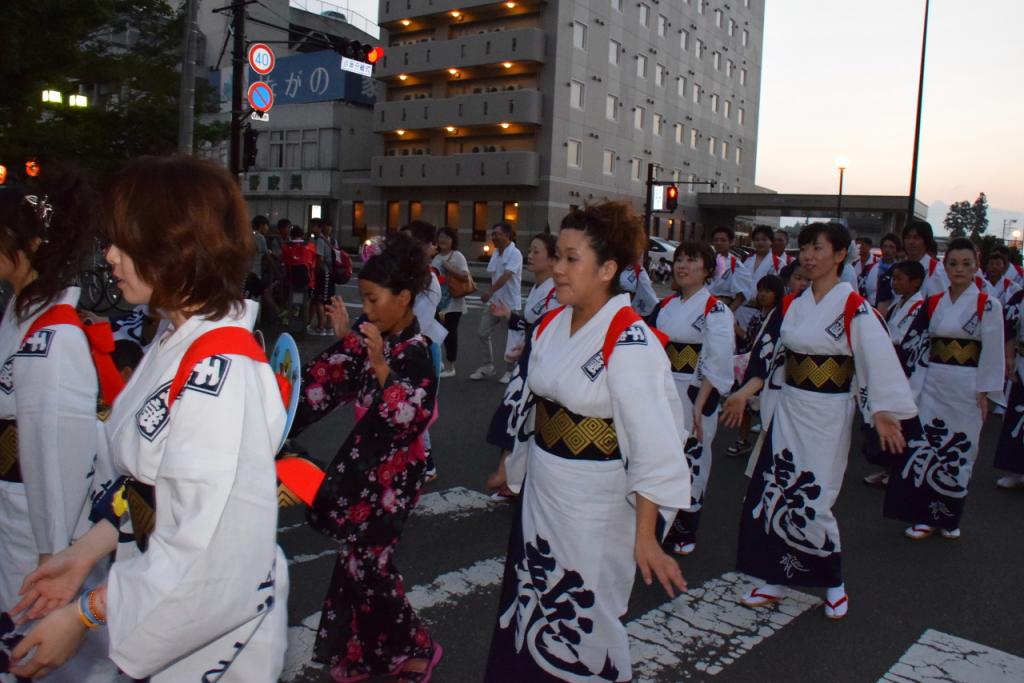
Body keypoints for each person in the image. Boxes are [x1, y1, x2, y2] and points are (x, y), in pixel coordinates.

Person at [11, 155, 289, 681]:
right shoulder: (177, 339)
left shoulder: (220, 372)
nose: (110, 256)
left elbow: (208, 553)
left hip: (210, 643)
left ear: (174, 247)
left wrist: (86, 613)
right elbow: (149, 488)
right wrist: (85, 552)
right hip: (158, 588)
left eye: (124, 242)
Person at [484, 202, 689, 681]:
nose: (557, 267)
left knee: (585, 611)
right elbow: (531, 409)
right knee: (533, 591)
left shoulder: (631, 341)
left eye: (571, 258)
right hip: (544, 492)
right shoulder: (555, 324)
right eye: (557, 255)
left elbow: (654, 447)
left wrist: (646, 537)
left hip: (596, 504)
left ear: (608, 269)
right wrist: (512, 466)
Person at [723, 222, 917, 620]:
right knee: (775, 491)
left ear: (841, 255)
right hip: (788, 407)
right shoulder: (793, 304)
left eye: (819, 248)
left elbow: (876, 361)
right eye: (805, 248)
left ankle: (833, 581)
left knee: (814, 498)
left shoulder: (853, 308)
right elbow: (770, 356)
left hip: (828, 413)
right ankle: (774, 576)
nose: (808, 256)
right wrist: (745, 392)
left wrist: (881, 410)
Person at [290, 232, 441, 683]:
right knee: (357, 559)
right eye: (364, 300)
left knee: (368, 563)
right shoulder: (373, 335)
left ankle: (418, 645)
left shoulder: (418, 351)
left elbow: (409, 418)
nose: (367, 309)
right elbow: (328, 378)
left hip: (395, 474)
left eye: (374, 300)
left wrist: (378, 365)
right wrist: (274, 413)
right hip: (365, 465)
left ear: (405, 298)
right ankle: (360, 653)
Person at [0, 177, 119, 683]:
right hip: (17, 511)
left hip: (40, 527)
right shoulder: (22, 313)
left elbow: (57, 453)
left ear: (28, 244)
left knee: (37, 652)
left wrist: (54, 559)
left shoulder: (53, 331)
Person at [885, 238, 1005, 540]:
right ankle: (924, 516)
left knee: (961, 451)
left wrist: (985, 391)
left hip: (967, 386)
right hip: (933, 384)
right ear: (945, 266)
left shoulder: (987, 304)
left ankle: (950, 517)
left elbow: (993, 351)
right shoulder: (934, 302)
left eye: (966, 263)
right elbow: (917, 344)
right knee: (927, 449)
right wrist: (911, 386)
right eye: (953, 263)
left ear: (977, 264)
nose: (959, 269)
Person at [653, 241, 735, 556]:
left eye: (692, 260)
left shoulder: (715, 309)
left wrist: (701, 402)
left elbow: (718, 360)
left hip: (693, 391)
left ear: (708, 270)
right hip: (663, 389)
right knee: (660, 454)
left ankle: (686, 527)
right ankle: (658, 518)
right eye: (679, 260)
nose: (682, 266)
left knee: (691, 456)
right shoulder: (667, 305)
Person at [483, 233, 559, 501]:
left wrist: (528, 345)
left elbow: (550, 331)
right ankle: (513, 479)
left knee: (520, 417)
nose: (530, 255)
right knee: (519, 418)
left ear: (552, 259)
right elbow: (532, 327)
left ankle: (511, 477)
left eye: (537, 251)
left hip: (543, 366)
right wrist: (509, 317)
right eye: (530, 250)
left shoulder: (556, 291)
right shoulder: (539, 288)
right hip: (530, 360)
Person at [862, 260, 929, 487]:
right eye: (894, 278)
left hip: (903, 365)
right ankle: (887, 466)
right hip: (889, 361)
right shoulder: (898, 304)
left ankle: (897, 468)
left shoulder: (919, 306)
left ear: (916, 282)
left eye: (900, 278)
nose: (895, 283)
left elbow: (903, 337)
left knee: (900, 420)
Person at [402, 221, 446, 482]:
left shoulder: (429, 282)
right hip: (407, 349)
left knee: (415, 409)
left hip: (420, 351)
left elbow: (413, 324)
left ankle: (426, 463)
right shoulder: (410, 277)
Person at [726, 274, 785, 457]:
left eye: (767, 291)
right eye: (760, 290)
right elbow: (749, 340)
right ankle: (742, 440)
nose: (762, 294)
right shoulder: (757, 317)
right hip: (752, 365)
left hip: (770, 369)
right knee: (746, 406)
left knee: (768, 408)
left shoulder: (779, 318)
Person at [473, 222, 523, 382]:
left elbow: (507, 276)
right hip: (495, 302)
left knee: (512, 338)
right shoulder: (496, 253)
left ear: (507, 235)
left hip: (509, 304)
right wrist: (490, 293)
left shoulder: (515, 253)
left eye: (497, 234)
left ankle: (511, 370)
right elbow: (494, 276)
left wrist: (489, 291)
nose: (493, 237)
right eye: (492, 234)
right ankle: (488, 366)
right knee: (482, 332)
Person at [994, 286, 1024, 488]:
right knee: (1016, 415)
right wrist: (1008, 359)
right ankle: (1015, 469)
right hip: (1022, 362)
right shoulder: (1019, 297)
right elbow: (1008, 330)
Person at [432, 226, 469, 378]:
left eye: (447, 237)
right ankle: (439, 362)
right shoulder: (436, 257)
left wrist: (450, 268)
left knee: (449, 334)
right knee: (436, 333)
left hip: (453, 304)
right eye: (440, 237)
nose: (443, 240)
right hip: (439, 303)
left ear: (453, 240)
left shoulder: (457, 256)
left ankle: (450, 367)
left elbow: (465, 276)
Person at [731, 224, 784, 329]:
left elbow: (778, 291)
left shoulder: (778, 263)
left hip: (762, 312)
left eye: (764, 239)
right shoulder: (744, 260)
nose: (760, 242)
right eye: (757, 239)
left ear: (771, 242)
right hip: (740, 310)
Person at [902, 219, 949, 297]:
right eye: (907, 237)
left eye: (916, 238)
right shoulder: (900, 269)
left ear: (926, 241)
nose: (911, 242)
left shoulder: (937, 272)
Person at [864, 232, 902, 313]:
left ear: (897, 250)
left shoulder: (900, 271)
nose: (887, 250)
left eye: (891, 247)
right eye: (885, 246)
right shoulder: (871, 268)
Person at [708, 225, 740, 303]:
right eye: (716, 240)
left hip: (723, 304)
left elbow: (741, 295)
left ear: (731, 242)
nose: (719, 243)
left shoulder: (736, 264)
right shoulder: (706, 260)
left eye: (723, 240)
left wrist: (731, 310)